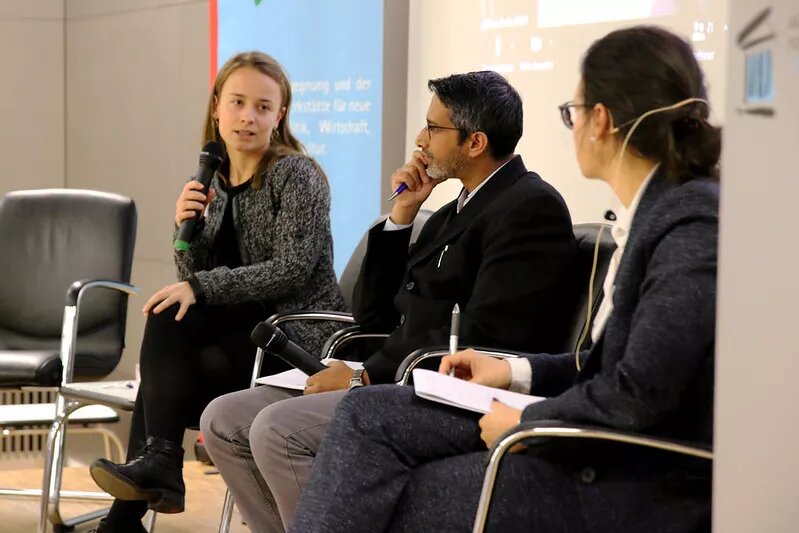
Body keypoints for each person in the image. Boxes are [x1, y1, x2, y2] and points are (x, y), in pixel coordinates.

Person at [291, 25, 721, 533]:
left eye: (573, 112)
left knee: (393, 470)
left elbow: (636, 392)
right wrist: (514, 373)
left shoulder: (688, 223)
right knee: (367, 426)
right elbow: (600, 369)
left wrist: (526, 421)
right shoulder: (658, 213)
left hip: (633, 477)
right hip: (593, 444)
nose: (573, 125)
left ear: (599, 120)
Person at [200, 70, 577, 532]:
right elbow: (373, 315)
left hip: (449, 390)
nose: (421, 139)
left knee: (277, 430)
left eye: (434, 129)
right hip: (397, 374)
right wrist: (402, 216)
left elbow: (485, 336)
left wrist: (364, 374)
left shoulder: (528, 207)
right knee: (223, 419)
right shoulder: (448, 212)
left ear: (475, 142)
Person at [87, 51, 345, 533]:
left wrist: (198, 284)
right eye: (238, 102)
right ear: (216, 108)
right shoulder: (212, 181)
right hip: (237, 343)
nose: (248, 116)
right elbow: (191, 276)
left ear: (280, 115)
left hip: (290, 345)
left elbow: (289, 270)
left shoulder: (297, 175)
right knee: (170, 318)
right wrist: (186, 227)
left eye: (263, 107)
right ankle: (154, 473)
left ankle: (136, 502)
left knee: (168, 352)